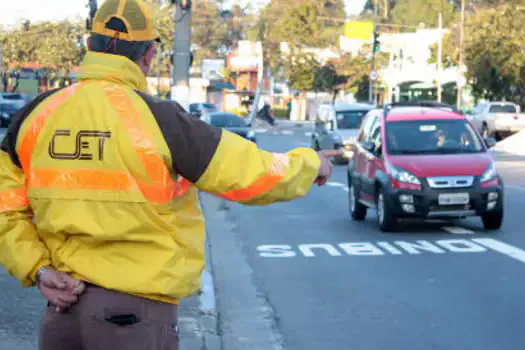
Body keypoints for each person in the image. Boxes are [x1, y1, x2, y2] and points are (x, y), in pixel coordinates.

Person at [0, 0, 341, 349]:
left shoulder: (33, 117)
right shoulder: (159, 119)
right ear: (148, 55)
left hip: (62, 315)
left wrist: (38, 269)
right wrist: (310, 163)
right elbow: (248, 174)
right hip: (134, 320)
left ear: (90, 46)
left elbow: (5, 210)